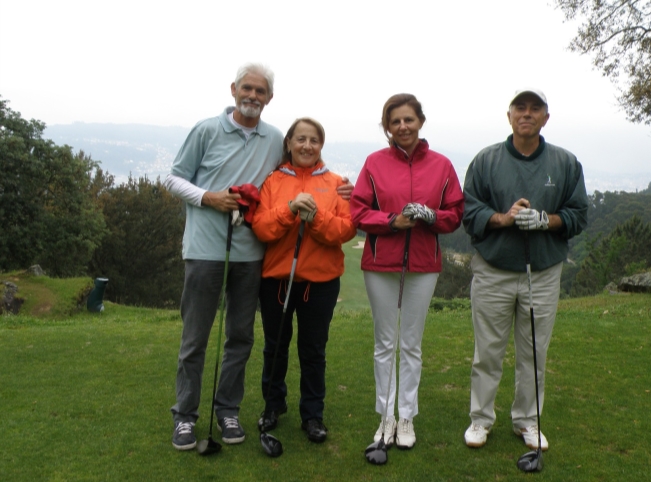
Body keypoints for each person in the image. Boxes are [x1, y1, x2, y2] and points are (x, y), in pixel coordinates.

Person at [164, 63, 352, 451]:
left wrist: (339, 193)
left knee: (240, 337)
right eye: (246, 88)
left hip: (250, 256)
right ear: (233, 89)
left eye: (260, 91)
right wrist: (208, 197)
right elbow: (173, 177)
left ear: (269, 98)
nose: (252, 96)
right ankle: (185, 416)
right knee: (196, 338)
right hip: (204, 248)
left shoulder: (275, 140)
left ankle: (228, 411)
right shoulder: (206, 129)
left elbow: (314, 195)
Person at [462, 88, 588, 452]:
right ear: (510, 115)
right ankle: (481, 419)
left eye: (536, 108)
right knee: (487, 350)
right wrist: (504, 218)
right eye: (521, 107)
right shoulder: (486, 161)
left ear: (546, 118)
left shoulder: (565, 163)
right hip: (494, 268)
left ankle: (527, 421)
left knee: (534, 350)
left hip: (543, 271)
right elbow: (469, 212)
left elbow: (578, 215)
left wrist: (546, 220)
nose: (527, 114)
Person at [350, 94, 464, 449]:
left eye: (409, 120)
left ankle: (407, 417)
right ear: (387, 126)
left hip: (423, 264)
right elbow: (358, 211)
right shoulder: (374, 163)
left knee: (411, 345)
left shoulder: (442, 165)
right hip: (381, 262)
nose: (402, 126)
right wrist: (392, 221)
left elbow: (455, 213)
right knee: (385, 343)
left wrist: (432, 216)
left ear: (420, 121)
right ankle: (386, 418)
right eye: (395, 121)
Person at [252, 118, 356, 443]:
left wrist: (314, 217)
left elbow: (345, 231)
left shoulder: (336, 183)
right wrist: (290, 209)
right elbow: (262, 227)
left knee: (313, 350)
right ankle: (273, 405)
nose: (307, 146)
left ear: (321, 145)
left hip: (320, 282)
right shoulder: (273, 182)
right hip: (278, 280)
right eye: (301, 139)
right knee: (276, 346)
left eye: (314, 140)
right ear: (289, 143)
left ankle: (312, 414)